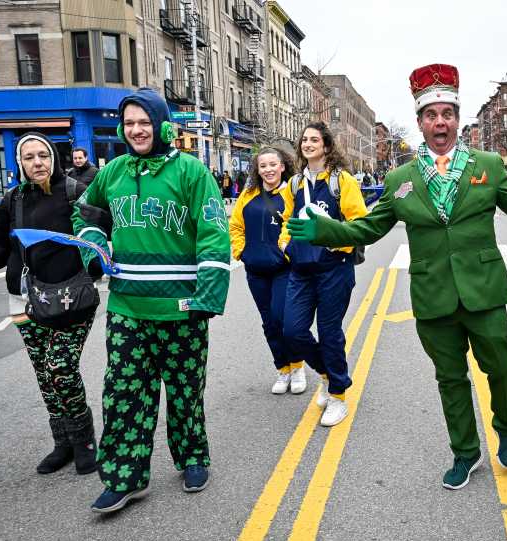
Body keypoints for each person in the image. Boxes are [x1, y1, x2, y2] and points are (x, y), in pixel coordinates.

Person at [286, 63, 507, 490]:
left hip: (484, 290)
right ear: (421, 122)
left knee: (501, 368)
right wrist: (325, 231)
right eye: (431, 115)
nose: (440, 122)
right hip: (433, 294)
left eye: (447, 114)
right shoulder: (400, 180)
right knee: (450, 378)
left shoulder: (487, 165)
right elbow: (367, 229)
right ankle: (465, 452)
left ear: (456, 119)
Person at [71, 88, 231, 513]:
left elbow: (214, 232)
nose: (136, 130)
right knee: (122, 394)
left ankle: (192, 457)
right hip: (127, 308)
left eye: (144, 122)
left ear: (162, 126)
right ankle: (124, 477)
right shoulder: (113, 172)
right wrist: (94, 248)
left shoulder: (192, 172)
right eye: (129, 123)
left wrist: (208, 295)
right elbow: (85, 213)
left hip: (182, 308)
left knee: (184, 391)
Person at [0, 132, 102, 476]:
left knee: (60, 368)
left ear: (53, 158)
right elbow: (0, 245)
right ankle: (63, 443)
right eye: (29, 157)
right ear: (20, 163)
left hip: (70, 297)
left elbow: (98, 234)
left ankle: (84, 441)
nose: (37, 162)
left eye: (43, 155)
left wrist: (98, 260)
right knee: (44, 375)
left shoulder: (74, 192)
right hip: (25, 299)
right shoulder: (13, 199)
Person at [278, 121, 368, 428]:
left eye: (314, 140)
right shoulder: (294, 184)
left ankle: (338, 395)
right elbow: (287, 220)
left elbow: (359, 223)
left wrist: (333, 242)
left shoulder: (341, 181)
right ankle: (328, 374)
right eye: (304, 139)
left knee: (330, 334)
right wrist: (286, 246)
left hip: (334, 269)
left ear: (326, 146)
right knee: (292, 331)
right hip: (301, 269)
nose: (308, 144)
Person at [229, 146, 306, 394]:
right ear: (257, 169)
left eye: (273, 164)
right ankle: (282, 369)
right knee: (269, 323)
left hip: (283, 269)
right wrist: (241, 251)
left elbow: (296, 226)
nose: (268, 170)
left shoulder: (292, 193)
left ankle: (297, 367)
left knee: (283, 319)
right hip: (255, 270)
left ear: (282, 166)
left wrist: (286, 252)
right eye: (263, 166)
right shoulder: (248, 194)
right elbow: (235, 226)